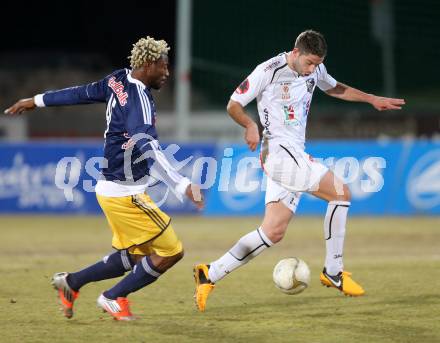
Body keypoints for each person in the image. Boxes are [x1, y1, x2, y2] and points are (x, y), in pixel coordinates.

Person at [193, 29, 405, 312]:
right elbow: (233, 105)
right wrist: (250, 125)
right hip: (278, 154)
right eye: (310, 63)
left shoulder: (315, 70)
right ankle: (333, 272)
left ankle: (210, 273)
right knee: (341, 193)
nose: (313, 69)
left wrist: (370, 99)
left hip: (293, 154)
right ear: (295, 53)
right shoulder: (268, 70)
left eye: (317, 64)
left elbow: (334, 87)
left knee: (272, 231)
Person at [5, 36, 204, 321]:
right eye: (163, 66)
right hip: (126, 195)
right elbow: (147, 146)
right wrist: (182, 184)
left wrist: (35, 100)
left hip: (112, 189)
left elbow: (80, 93)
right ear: (148, 65)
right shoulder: (139, 100)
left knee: (136, 256)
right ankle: (113, 297)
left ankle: (71, 283)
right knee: (172, 251)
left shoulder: (118, 80)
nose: (167, 72)